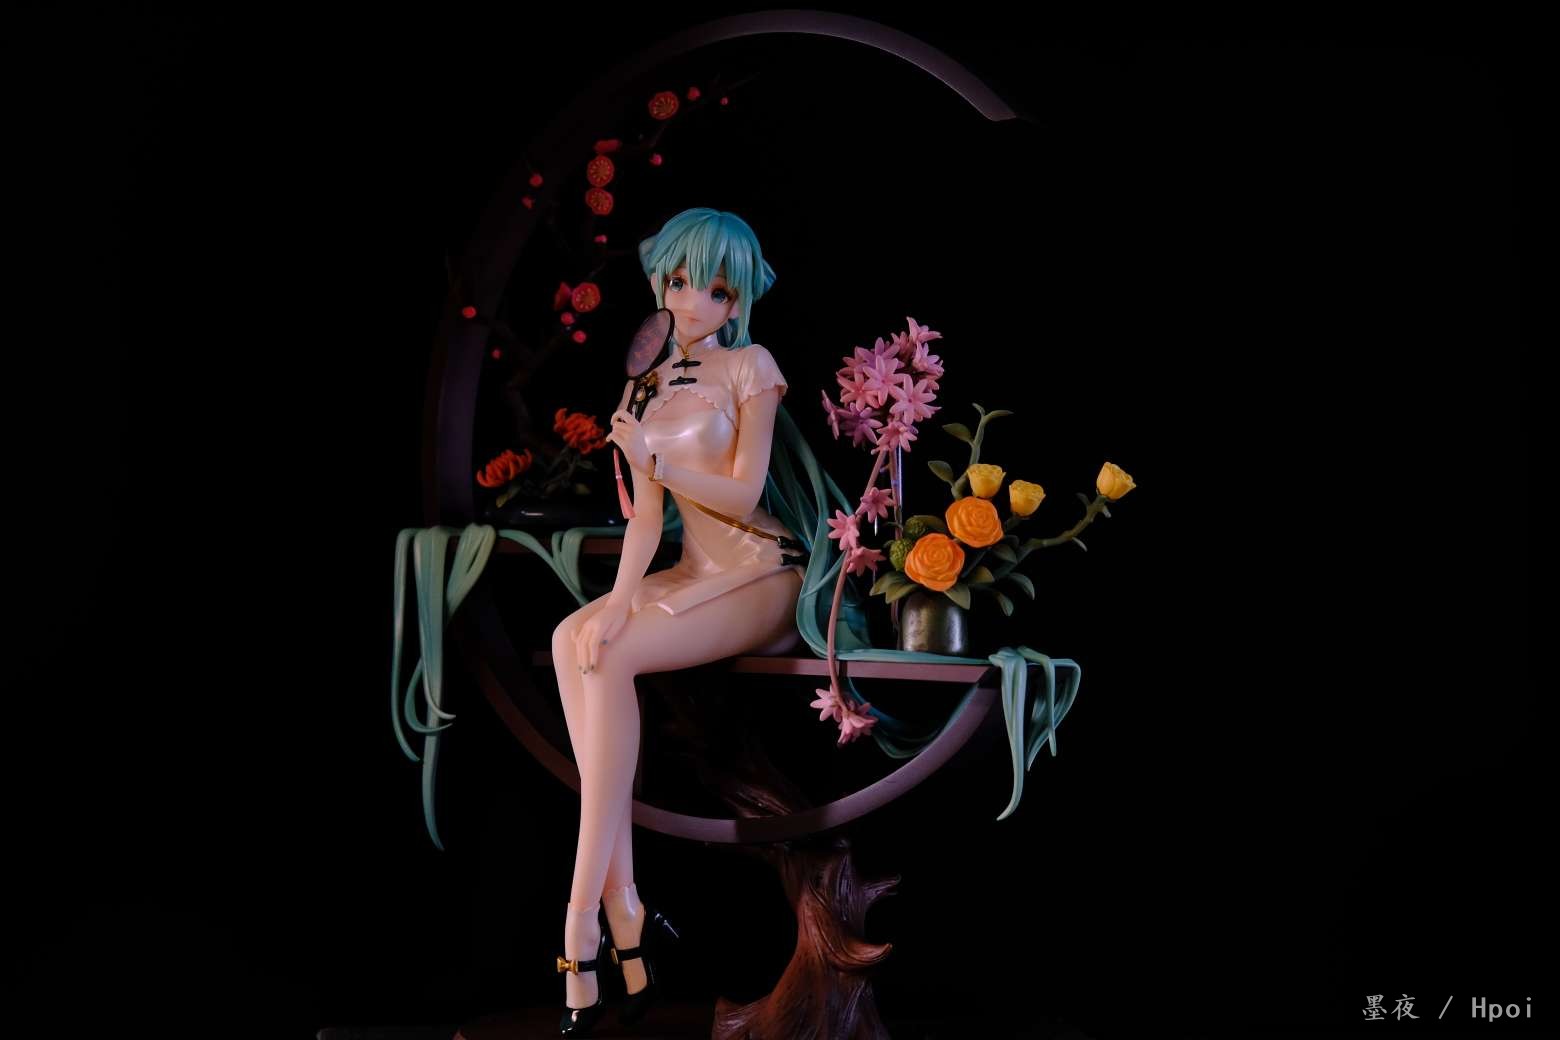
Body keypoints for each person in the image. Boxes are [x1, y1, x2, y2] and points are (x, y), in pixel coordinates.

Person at [548, 207, 806, 1035]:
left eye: (717, 290)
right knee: (573, 639)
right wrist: (620, 600)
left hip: (761, 571)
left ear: (738, 301)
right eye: (682, 281)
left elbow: (744, 492)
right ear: (662, 279)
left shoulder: (752, 367)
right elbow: (648, 521)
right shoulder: (646, 383)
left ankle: (582, 927)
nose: (694, 302)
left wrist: (653, 458)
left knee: (611, 655)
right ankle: (626, 909)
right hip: (691, 567)